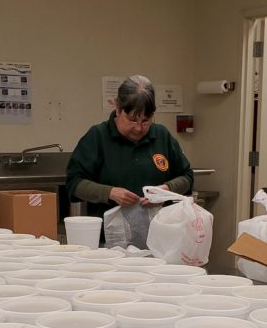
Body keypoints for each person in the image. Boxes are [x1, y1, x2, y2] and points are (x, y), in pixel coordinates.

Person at [66, 75, 193, 225]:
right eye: (132, 120)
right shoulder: (98, 136)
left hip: (158, 234)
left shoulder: (162, 135)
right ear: (118, 109)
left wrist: (164, 191)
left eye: (145, 120)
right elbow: (74, 183)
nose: (139, 128)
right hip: (109, 238)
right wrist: (110, 193)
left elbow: (187, 178)